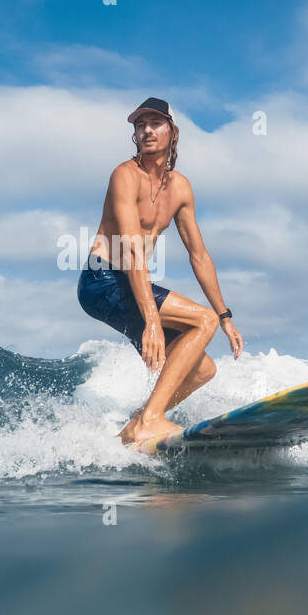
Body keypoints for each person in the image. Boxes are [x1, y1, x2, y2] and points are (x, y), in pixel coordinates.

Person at [76, 97, 243, 444]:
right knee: (202, 320)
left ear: (172, 131)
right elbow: (131, 248)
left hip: (129, 284)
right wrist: (152, 320)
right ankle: (151, 418)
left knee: (202, 370)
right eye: (140, 125)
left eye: (155, 123)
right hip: (100, 278)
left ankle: (133, 430)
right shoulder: (125, 175)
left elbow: (198, 255)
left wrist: (225, 315)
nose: (147, 130)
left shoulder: (180, 188)